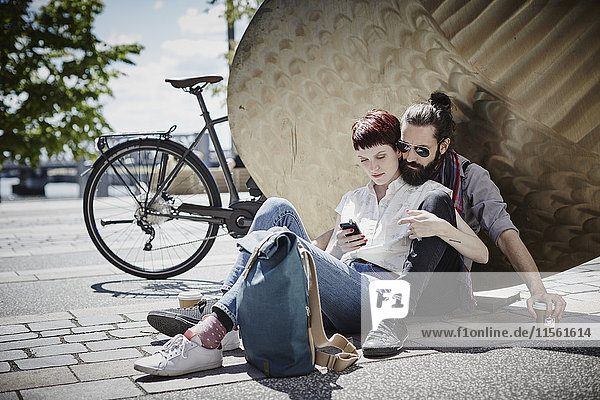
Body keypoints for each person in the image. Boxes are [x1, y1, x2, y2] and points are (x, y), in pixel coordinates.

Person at [134, 109, 488, 376]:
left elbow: (481, 253)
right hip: (340, 288)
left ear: (398, 151)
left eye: (381, 157)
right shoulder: (353, 199)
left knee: (286, 241)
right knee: (276, 207)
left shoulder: (426, 195)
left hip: (377, 293)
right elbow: (326, 260)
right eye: (364, 160)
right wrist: (339, 249)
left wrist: (440, 228)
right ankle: (227, 320)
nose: (374, 167)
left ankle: (211, 330)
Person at [395, 91, 566, 322]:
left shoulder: (470, 177)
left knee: (437, 201)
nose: (410, 157)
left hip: (439, 285)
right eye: (405, 146)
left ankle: (395, 311)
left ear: (443, 146)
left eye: (422, 150)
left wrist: (538, 291)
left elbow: (504, 233)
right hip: (389, 272)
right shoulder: (398, 167)